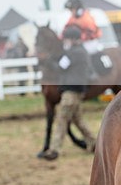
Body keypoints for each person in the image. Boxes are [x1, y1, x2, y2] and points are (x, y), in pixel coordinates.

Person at [40, 26, 96, 160]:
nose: (66, 42)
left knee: (62, 119)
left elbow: (61, 67)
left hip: (71, 92)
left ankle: (54, 150)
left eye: (67, 39)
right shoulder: (80, 51)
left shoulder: (74, 53)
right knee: (78, 121)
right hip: (76, 91)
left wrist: (48, 61)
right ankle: (94, 143)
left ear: (73, 39)